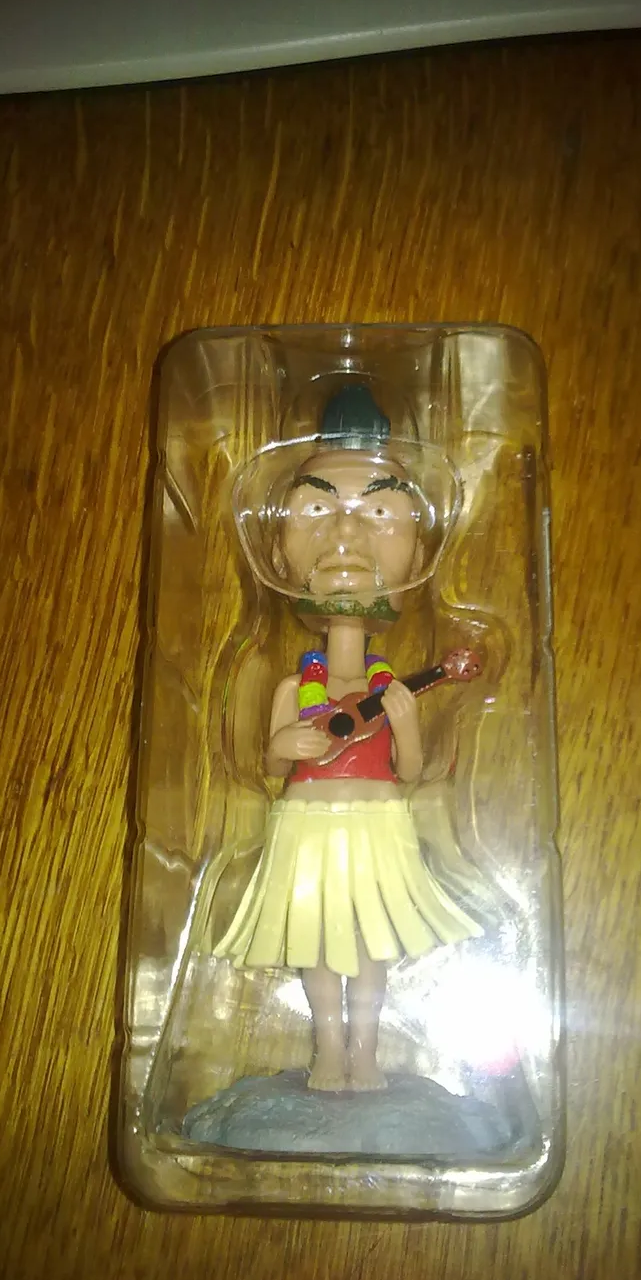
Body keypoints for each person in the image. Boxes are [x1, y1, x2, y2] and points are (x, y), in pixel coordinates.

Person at [214, 386, 483, 1091]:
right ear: (280, 548)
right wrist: (287, 748)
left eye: (380, 512)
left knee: (370, 945)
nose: (347, 533)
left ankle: (365, 1055)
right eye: (317, 508)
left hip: (376, 821)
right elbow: (272, 758)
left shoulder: (391, 688)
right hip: (306, 822)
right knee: (316, 943)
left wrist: (406, 721)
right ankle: (328, 1053)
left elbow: (412, 770)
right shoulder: (292, 688)